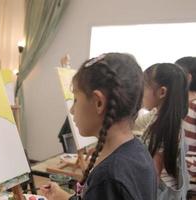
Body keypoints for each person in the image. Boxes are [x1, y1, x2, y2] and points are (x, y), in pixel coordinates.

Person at [41, 53, 157, 200]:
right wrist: (64, 197)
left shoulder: (108, 177)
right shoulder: (137, 152)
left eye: (76, 100)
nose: (71, 110)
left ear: (99, 103)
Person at [141, 63, 189, 199]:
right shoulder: (169, 120)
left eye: (144, 87)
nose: (141, 92)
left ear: (162, 92)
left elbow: (153, 174)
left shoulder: (163, 127)